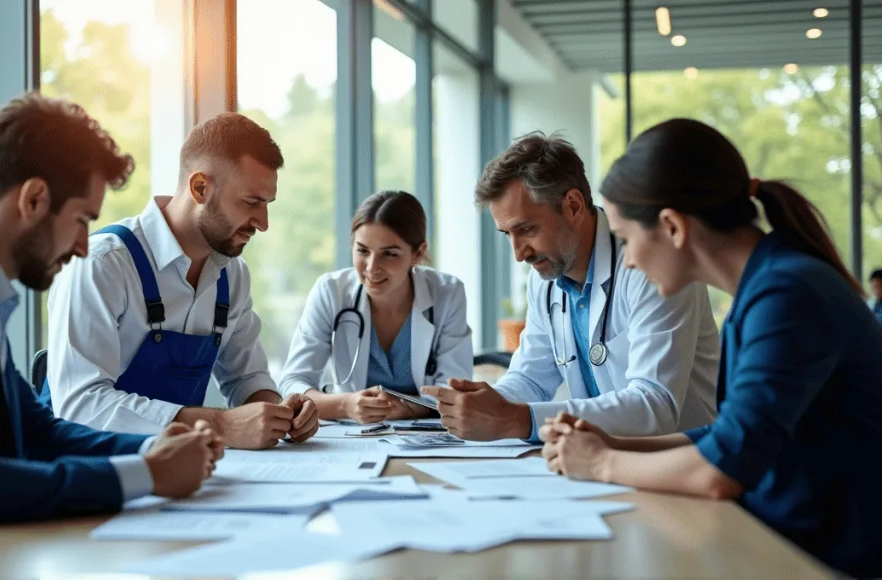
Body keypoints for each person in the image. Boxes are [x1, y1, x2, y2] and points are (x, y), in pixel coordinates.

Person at [0, 93, 223, 573]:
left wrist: (151, 447)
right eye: (81, 221)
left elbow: (35, 431)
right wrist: (148, 475)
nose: (80, 246)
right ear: (32, 199)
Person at [543, 118, 882, 578]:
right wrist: (613, 442)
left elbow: (722, 469)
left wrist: (602, 462)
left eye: (625, 240)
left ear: (673, 227)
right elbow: (731, 434)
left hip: (827, 561)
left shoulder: (787, 294)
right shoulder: (768, 286)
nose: (629, 259)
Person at [42, 112, 318, 449]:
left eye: (267, 204)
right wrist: (219, 424)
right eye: (251, 202)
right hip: (83, 470)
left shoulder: (232, 274)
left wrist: (280, 412)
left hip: (174, 468)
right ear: (200, 187)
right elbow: (80, 405)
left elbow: (246, 378)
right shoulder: (103, 264)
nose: (263, 222)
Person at [423, 132, 720, 441]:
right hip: (598, 459)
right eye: (506, 234)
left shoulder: (651, 264)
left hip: (679, 461)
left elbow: (654, 405)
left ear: (574, 206)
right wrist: (484, 404)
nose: (518, 253)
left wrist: (518, 419)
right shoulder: (547, 279)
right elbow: (530, 380)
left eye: (526, 229)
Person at [279, 191, 473, 423]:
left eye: (389, 254)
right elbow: (294, 382)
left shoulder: (447, 293)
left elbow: (454, 391)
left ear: (418, 253)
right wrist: (345, 405)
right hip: (350, 436)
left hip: (424, 432)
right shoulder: (331, 292)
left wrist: (411, 409)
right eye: (362, 251)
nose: (372, 267)